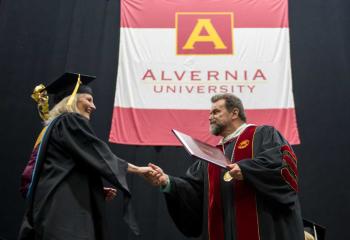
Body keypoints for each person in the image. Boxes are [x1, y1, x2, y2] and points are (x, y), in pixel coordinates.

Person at [146, 93, 304, 240]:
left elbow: (281, 165)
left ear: (234, 113)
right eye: (210, 113)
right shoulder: (210, 156)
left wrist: (246, 170)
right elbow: (193, 190)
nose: (210, 117)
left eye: (215, 112)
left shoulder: (262, 134)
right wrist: (167, 182)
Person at [18, 72, 151, 240]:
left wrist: (89, 187)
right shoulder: (69, 121)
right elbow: (98, 153)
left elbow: (58, 170)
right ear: (72, 99)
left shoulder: (53, 128)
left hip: (49, 208)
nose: (93, 106)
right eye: (89, 99)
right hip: (63, 214)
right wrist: (138, 170)